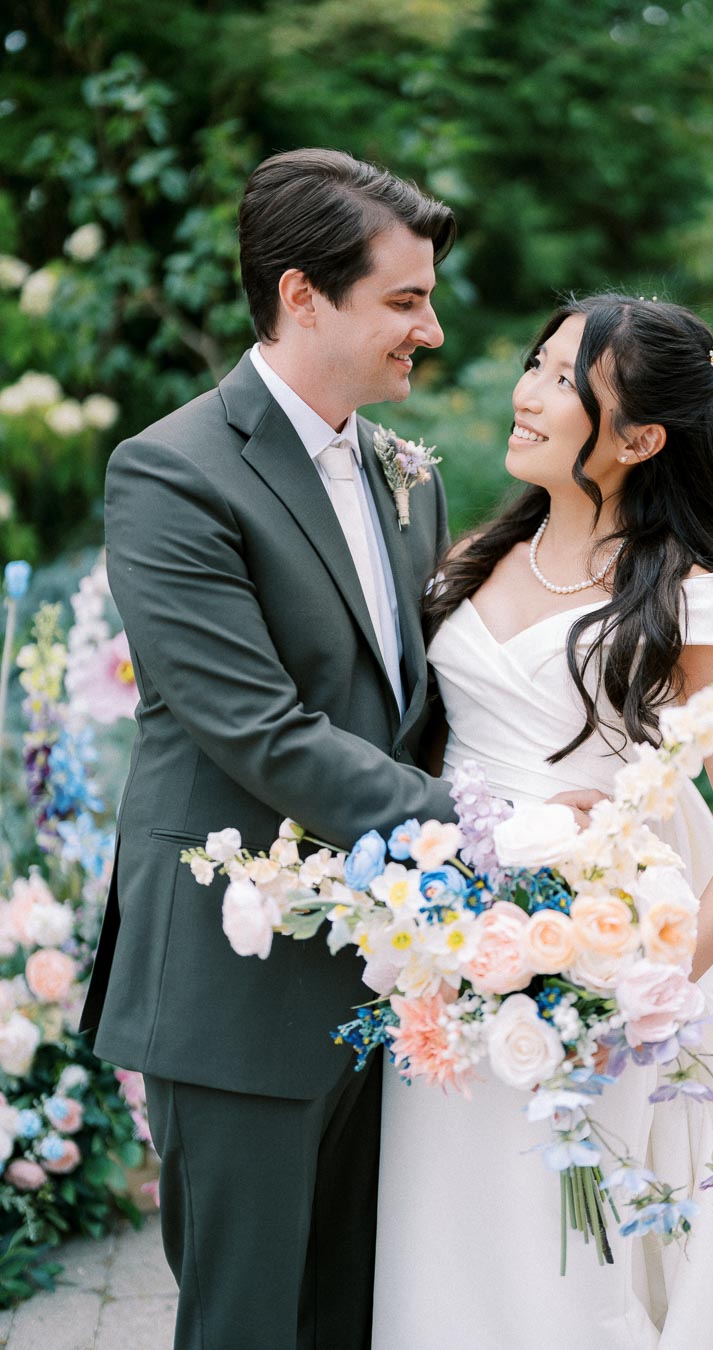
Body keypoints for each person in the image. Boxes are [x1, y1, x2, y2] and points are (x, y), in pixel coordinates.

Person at [373, 294, 713, 1348]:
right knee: (445, 1239)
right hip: (448, 962)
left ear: (640, 439)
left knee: (570, 1258)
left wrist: (636, 992)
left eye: (560, 381)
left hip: (592, 983)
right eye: (535, 365)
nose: (526, 396)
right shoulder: (465, 563)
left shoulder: (691, 602)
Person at [79, 147, 460, 1350]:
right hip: (235, 986)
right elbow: (255, 726)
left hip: (380, 982)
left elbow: (415, 702)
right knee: (247, 1327)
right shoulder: (172, 472)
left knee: (353, 1316)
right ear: (304, 296)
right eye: (404, 300)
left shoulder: (409, 475)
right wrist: (481, 832)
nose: (431, 330)